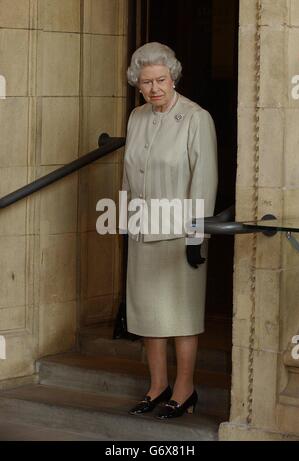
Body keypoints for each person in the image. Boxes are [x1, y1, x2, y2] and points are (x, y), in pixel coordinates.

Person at [121, 42, 218, 419]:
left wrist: (198, 235)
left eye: (161, 79)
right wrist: (125, 219)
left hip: (180, 234)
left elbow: (204, 182)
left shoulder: (196, 117)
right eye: (146, 82)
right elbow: (130, 173)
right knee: (148, 315)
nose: (155, 88)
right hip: (143, 230)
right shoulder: (137, 117)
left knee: (180, 315)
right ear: (138, 84)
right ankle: (157, 385)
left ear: (173, 77)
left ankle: (185, 389)